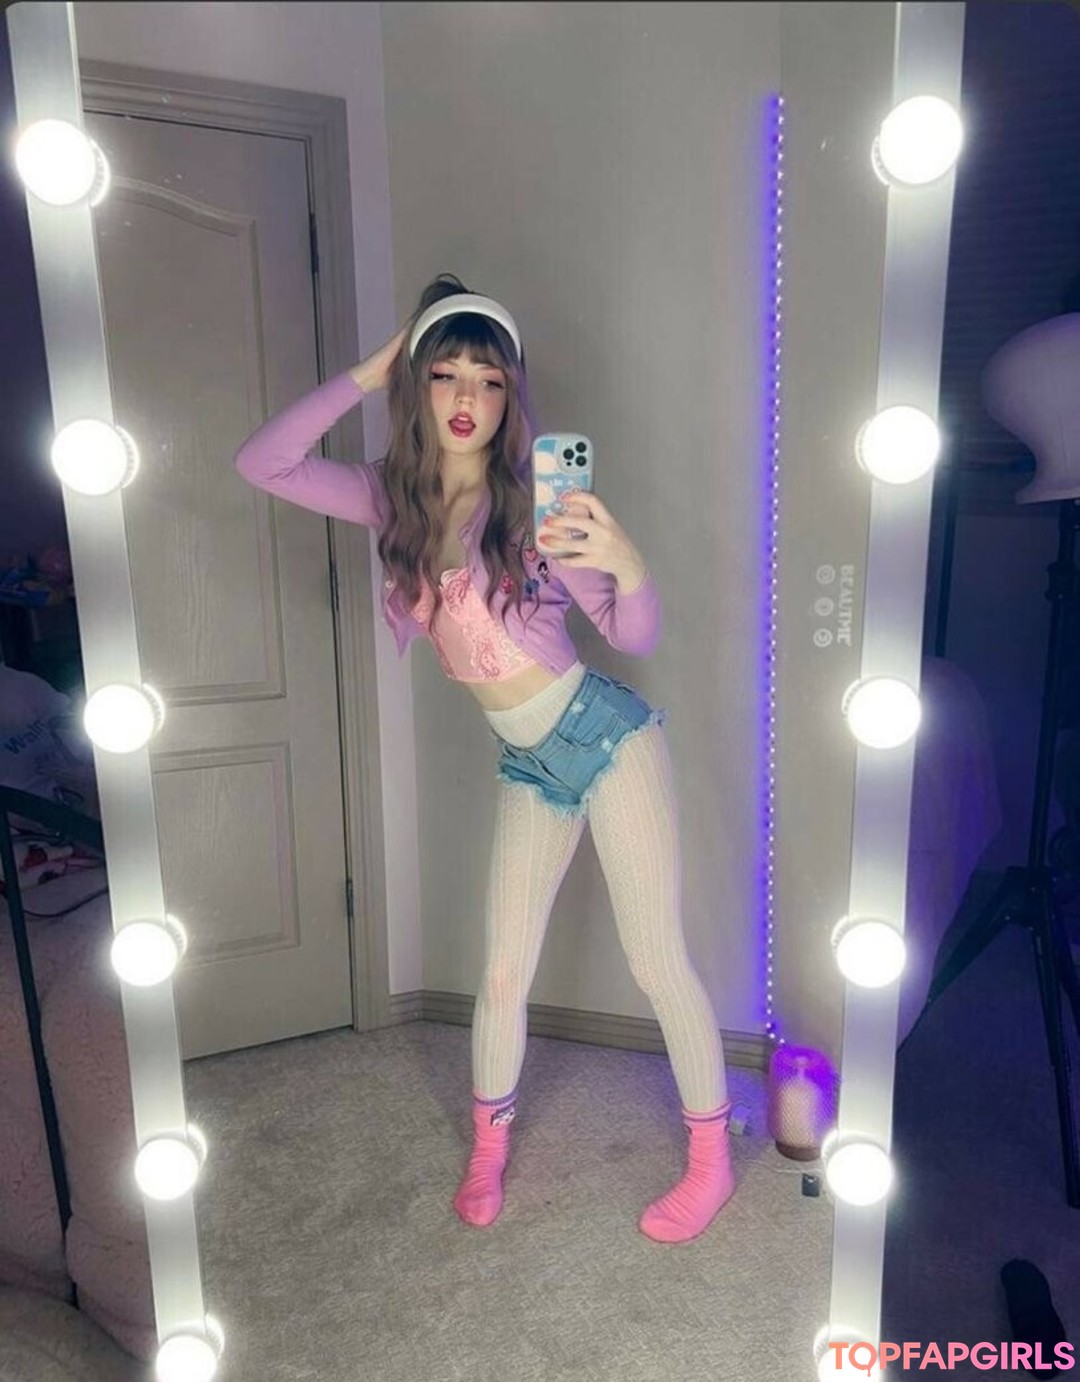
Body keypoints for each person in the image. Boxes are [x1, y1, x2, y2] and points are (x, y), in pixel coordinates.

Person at [235, 273, 734, 1243]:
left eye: (490, 380)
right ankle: (487, 1147)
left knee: (655, 959)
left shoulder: (537, 501)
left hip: (608, 739)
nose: (468, 398)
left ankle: (710, 1160)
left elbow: (630, 633)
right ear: (416, 383)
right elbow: (264, 462)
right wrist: (366, 372)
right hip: (528, 765)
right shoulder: (389, 499)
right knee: (502, 972)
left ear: (512, 397)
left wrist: (629, 565)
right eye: (446, 374)